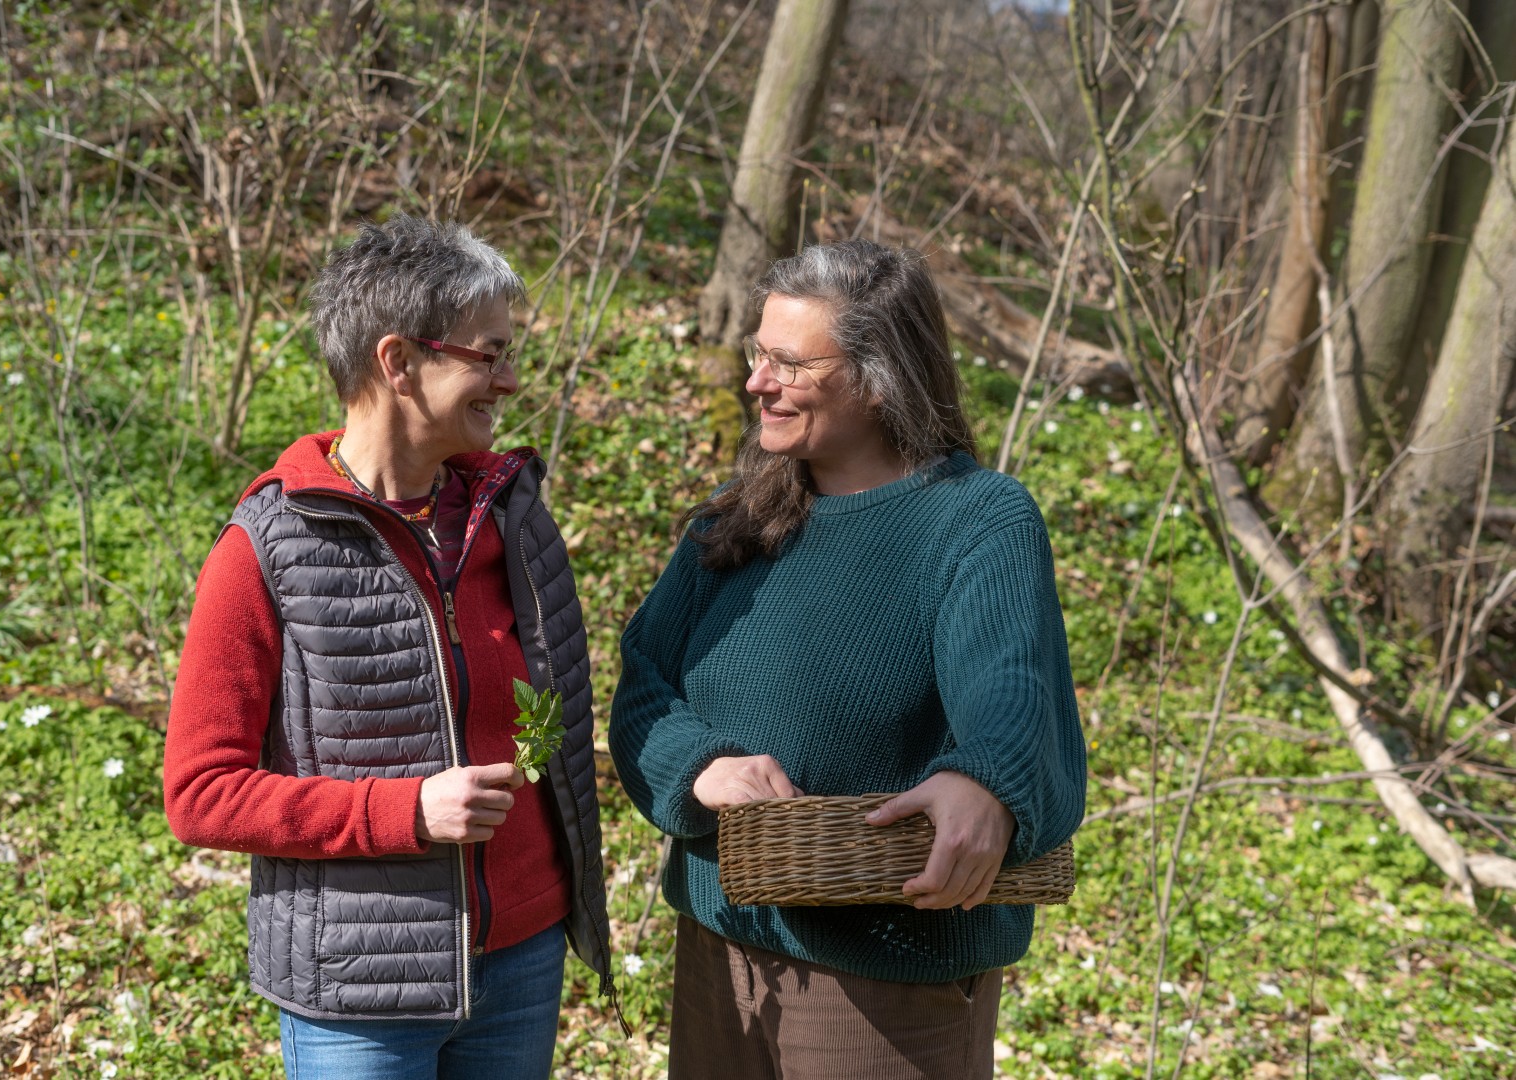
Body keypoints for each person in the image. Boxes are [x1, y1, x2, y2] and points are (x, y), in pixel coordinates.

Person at [609, 239, 1086, 1080]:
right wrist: (700, 767)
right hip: (718, 958)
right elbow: (642, 681)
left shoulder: (976, 521)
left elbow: (1013, 694)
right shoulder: (735, 522)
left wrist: (986, 781)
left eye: (789, 364)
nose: (758, 381)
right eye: (759, 353)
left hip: (886, 984)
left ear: (878, 378)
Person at [163, 213, 613, 1079]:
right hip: (360, 998)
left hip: (521, 959)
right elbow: (201, 794)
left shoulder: (512, 522)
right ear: (399, 360)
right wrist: (405, 812)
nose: (511, 380)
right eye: (489, 354)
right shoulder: (267, 546)